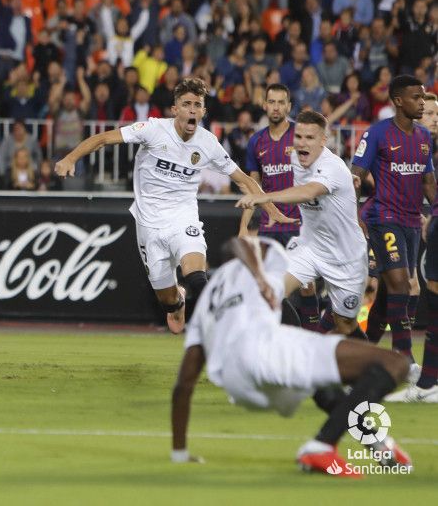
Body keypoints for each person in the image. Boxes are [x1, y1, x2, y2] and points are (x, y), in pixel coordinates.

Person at [55, 77, 295, 333]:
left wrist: (271, 210)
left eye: (197, 105)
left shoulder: (208, 143)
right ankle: (178, 302)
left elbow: (245, 181)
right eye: (187, 104)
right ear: (175, 109)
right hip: (148, 223)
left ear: (203, 111)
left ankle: (232, 326)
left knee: (196, 276)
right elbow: (103, 139)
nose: (192, 109)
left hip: (184, 217)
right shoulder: (153, 130)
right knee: (167, 302)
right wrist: (70, 158)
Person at [171, 234, 412, 476]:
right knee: (395, 364)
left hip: (240, 387)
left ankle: (377, 444)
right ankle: (321, 447)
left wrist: (179, 452)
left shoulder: (206, 305)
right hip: (264, 351)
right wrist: (259, 276)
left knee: (320, 383)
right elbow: (238, 243)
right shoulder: (270, 257)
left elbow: (184, 384)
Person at [238, 111, 368, 337]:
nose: (302, 143)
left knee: (345, 324)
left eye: (310, 138)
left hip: (345, 257)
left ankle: (377, 369)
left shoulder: (333, 167)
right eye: (298, 137)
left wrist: (265, 197)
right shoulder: (295, 157)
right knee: (269, 293)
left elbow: (309, 191)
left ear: (323, 141)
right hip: (309, 246)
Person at [351, 76, 436, 362]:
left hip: (412, 221)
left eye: (423, 97)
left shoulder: (424, 137)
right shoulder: (376, 134)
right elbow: (355, 177)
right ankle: (405, 359)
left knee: (388, 299)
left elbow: (428, 183)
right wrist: (354, 217)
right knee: (401, 283)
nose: (422, 102)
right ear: (398, 101)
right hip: (382, 217)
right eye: (416, 97)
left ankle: (361, 353)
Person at [242, 85, 320, 331]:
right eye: (271, 102)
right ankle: (277, 339)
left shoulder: (301, 135)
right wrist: (244, 227)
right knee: (268, 285)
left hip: (301, 223)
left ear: (288, 106)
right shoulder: (256, 141)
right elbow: (252, 187)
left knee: (307, 284)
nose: (276, 107)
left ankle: (312, 338)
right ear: (264, 105)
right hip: (269, 224)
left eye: (281, 102)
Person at [387, 91, 438, 402]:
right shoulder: (413, 144)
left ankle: (423, 380)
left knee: (424, 295)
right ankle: (420, 376)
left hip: (427, 226)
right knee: (408, 291)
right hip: (407, 224)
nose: (430, 116)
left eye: (435, 113)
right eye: (428, 112)